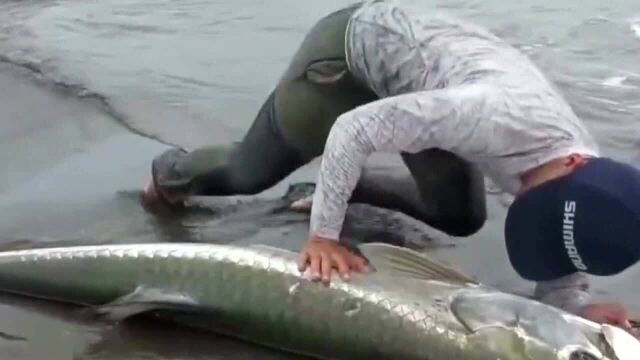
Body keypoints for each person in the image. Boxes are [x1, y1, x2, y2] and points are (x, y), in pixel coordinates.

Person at [143, 1, 640, 332]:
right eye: (542, 202)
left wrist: (578, 312)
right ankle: (170, 175)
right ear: (574, 163)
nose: (528, 205)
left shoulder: (584, 183)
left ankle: (343, 185)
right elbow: (354, 129)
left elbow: (560, 261)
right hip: (350, 56)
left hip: (429, 92)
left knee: (461, 215)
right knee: (248, 173)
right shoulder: (488, 116)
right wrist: (323, 237)